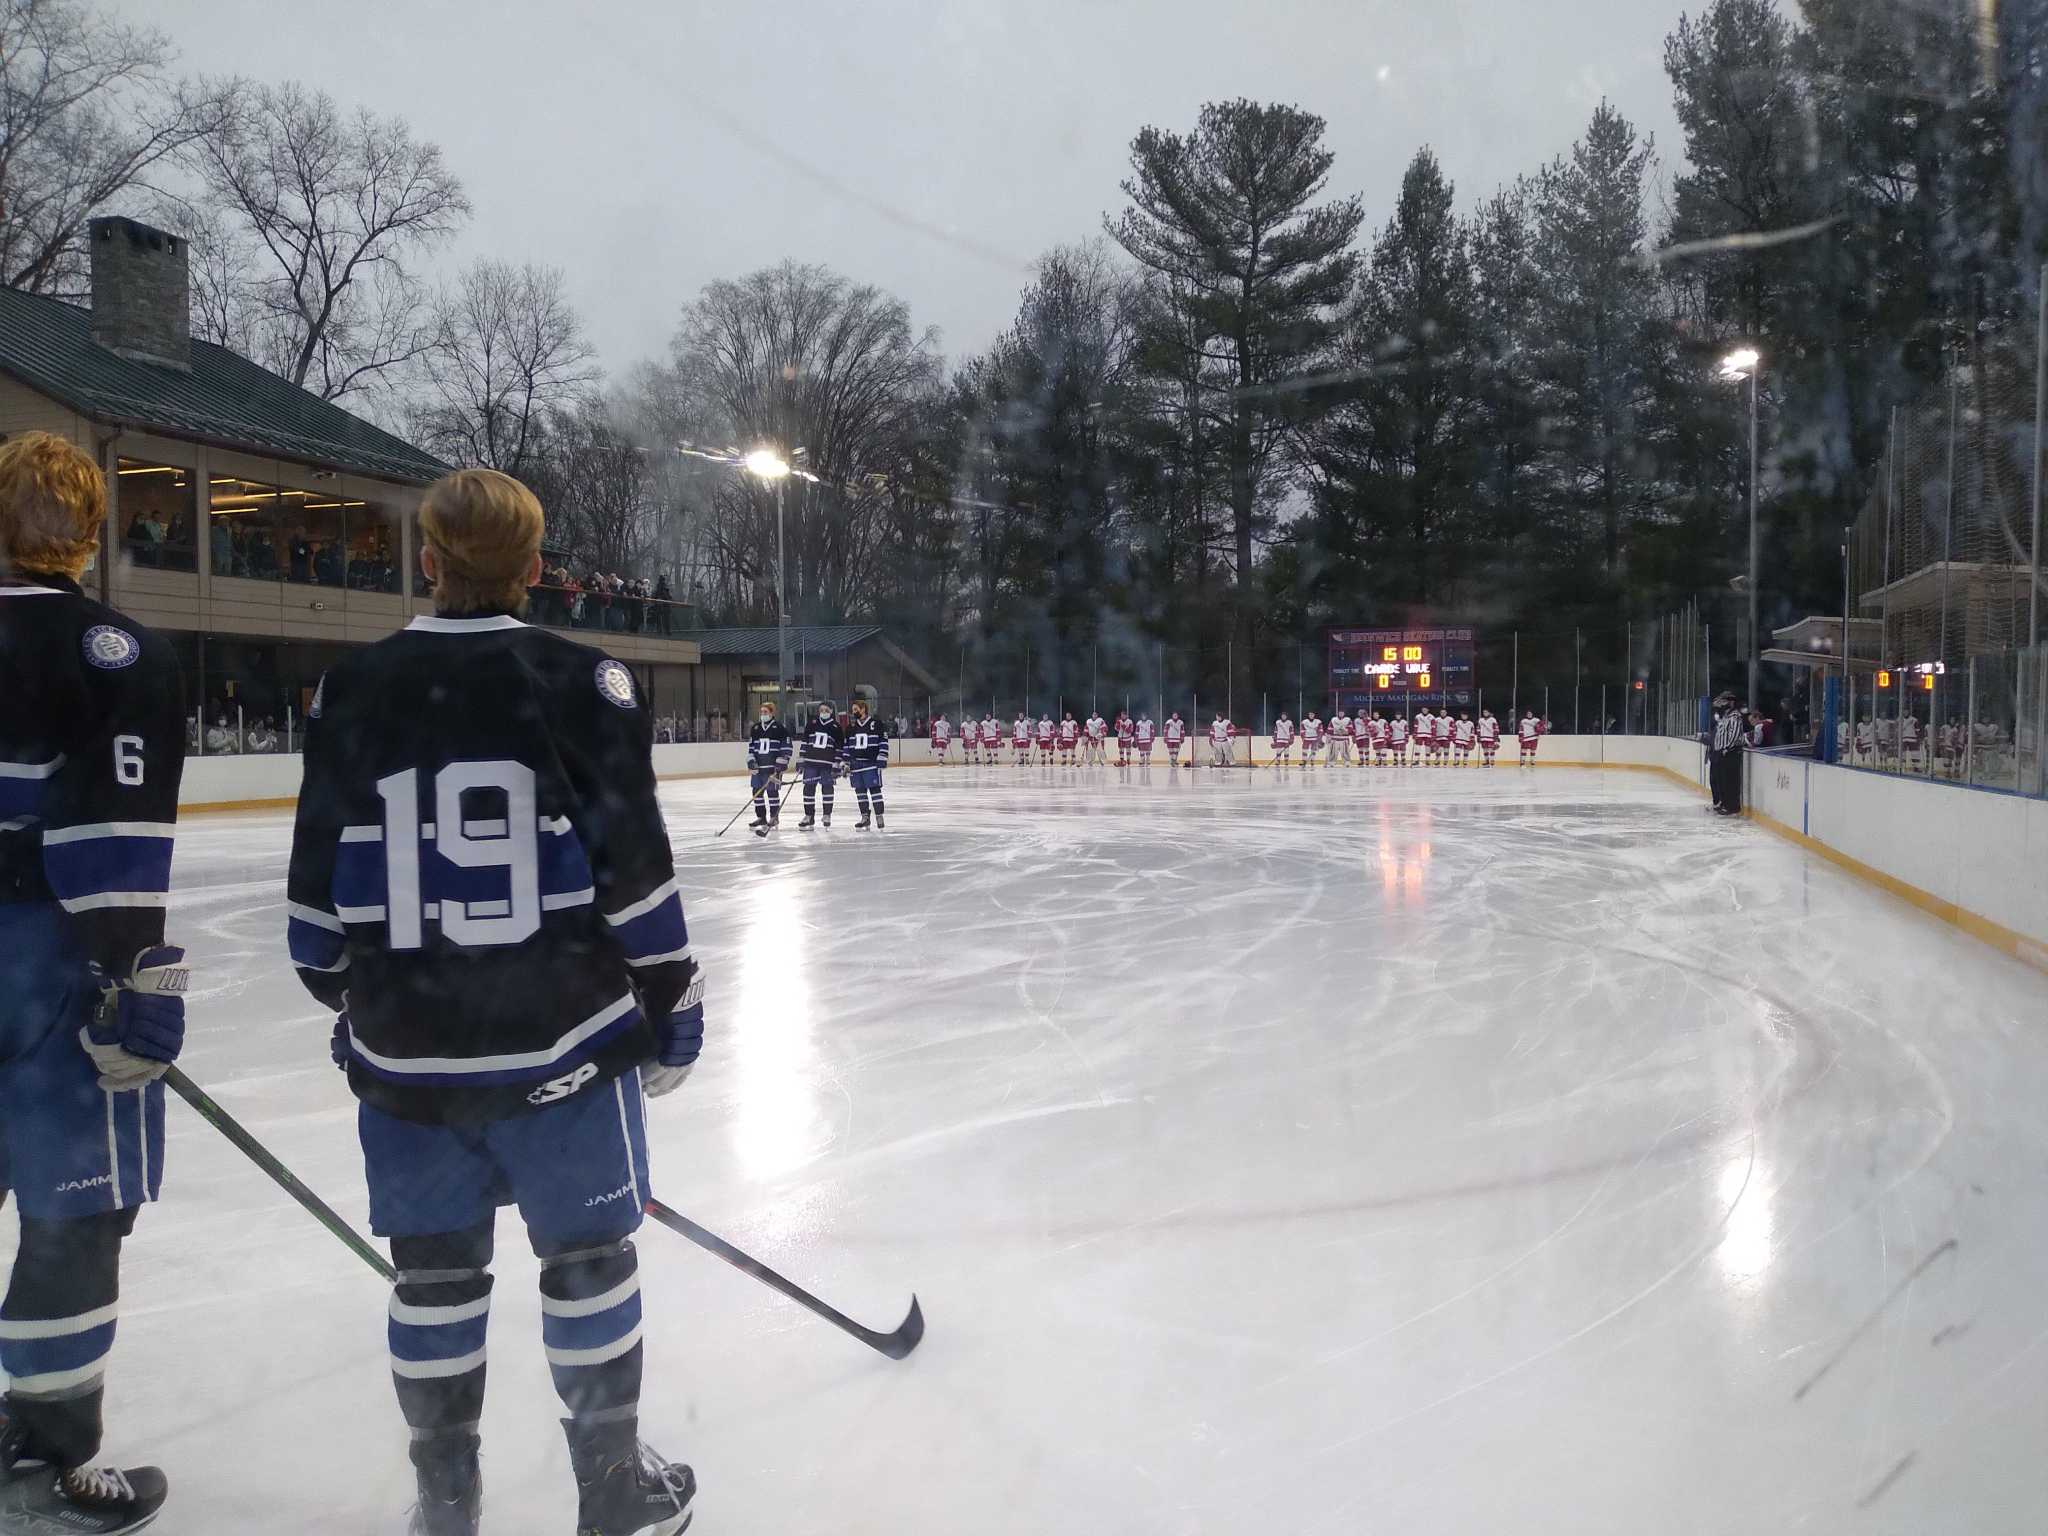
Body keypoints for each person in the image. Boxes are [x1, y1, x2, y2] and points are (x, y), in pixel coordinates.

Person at [284, 469, 699, 1536]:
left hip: (408, 1052)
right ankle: (612, 1494)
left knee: (432, 1279)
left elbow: (313, 910)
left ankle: (445, 1505)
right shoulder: (580, 679)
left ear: (426, 561)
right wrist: (668, 1000)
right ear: (533, 568)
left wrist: (356, 1003)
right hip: (560, 1041)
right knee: (589, 1260)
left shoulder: (353, 688)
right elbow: (635, 874)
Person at [0, 432, 189, 1534]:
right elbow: (110, 840)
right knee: (75, 1210)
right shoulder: (109, 651)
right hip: (47, 965)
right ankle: (40, 1466)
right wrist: (133, 981)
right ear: (91, 528)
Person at [797, 700, 845, 829]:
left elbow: (839, 747)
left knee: (827, 788)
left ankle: (827, 814)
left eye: (826, 710)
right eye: (821, 710)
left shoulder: (836, 727)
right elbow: (805, 742)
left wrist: (837, 763)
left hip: (827, 765)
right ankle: (809, 816)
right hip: (811, 763)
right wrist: (801, 759)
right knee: (808, 789)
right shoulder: (812, 724)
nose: (823, 712)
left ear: (831, 712)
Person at [747, 700, 791, 837]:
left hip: (773, 768)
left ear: (772, 713)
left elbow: (787, 747)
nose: (762, 714)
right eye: (761, 712)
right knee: (756, 793)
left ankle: (774, 817)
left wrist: (781, 762)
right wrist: (751, 761)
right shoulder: (755, 728)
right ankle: (761, 817)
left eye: (765, 712)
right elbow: (751, 748)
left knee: (772, 793)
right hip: (758, 769)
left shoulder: (779, 728)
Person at [844, 699, 889, 830]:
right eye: (853, 710)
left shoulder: (876, 723)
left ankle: (879, 815)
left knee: (875, 790)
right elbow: (846, 746)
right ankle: (865, 817)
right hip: (855, 765)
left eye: (856, 709)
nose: (854, 712)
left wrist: (882, 756)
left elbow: (883, 741)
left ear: (863, 709)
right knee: (860, 791)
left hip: (871, 764)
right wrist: (845, 763)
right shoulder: (851, 727)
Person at [1707, 691, 1744, 815]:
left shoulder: (1735, 716)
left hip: (1730, 752)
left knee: (1730, 781)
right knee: (1722, 780)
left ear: (1731, 702)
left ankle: (1731, 806)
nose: (1722, 704)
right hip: (1721, 752)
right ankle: (1724, 803)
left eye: (1725, 701)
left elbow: (1734, 735)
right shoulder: (1725, 716)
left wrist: (1726, 749)